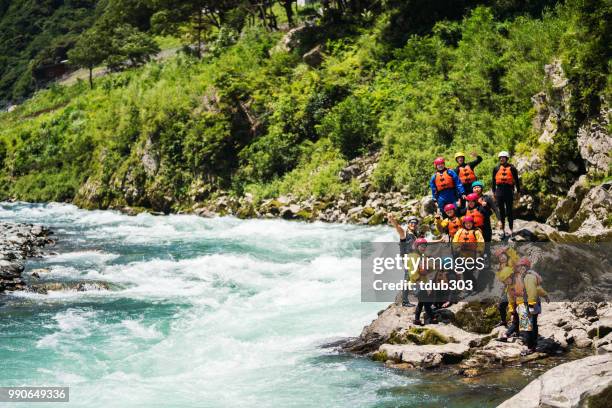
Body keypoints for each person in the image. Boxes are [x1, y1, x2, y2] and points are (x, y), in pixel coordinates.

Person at [505, 258, 548, 354]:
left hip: (529, 304)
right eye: (520, 267)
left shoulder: (526, 277)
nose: (521, 268)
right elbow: (537, 288)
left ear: (527, 267)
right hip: (530, 303)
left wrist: (532, 304)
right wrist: (544, 295)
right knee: (532, 324)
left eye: (523, 266)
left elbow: (533, 291)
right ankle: (533, 345)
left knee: (528, 326)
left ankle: (530, 347)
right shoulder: (528, 276)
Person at [388, 214, 420, 307]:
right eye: (411, 222)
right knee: (407, 278)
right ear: (408, 224)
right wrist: (392, 220)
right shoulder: (404, 234)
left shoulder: (415, 234)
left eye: (415, 223)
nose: (413, 224)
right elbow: (398, 228)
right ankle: (405, 301)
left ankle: (415, 293)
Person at [492, 151, 520, 237]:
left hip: (509, 191)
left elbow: (517, 180)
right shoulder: (496, 168)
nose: (501, 159)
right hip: (499, 192)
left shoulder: (512, 168)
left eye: (503, 157)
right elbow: (493, 181)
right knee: (501, 211)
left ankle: (511, 229)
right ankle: (502, 230)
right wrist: (494, 192)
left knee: (509, 211)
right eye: (500, 157)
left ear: (507, 158)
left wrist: (518, 191)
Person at [409, 238, 436, 325]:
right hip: (417, 284)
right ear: (417, 247)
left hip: (422, 283)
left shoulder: (422, 256)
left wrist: (431, 267)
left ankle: (417, 320)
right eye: (421, 246)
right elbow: (412, 272)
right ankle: (432, 318)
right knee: (426, 303)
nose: (423, 248)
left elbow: (429, 269)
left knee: (421, 302)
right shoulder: (413, 257)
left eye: (425, 246)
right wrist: (418, 280)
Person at [452, 216, 484, 288]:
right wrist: (456, 247)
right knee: (464, 271)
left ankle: (474, 285)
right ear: (464, 224)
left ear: (472, 223)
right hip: (461, 255)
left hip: (472, 255)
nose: (468, 225)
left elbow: (481, 242)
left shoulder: (476, 232)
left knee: (469, 272)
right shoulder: (460, 231)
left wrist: (479, 251)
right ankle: (468, 286)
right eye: (466, 223)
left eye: (470, 223)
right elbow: (455, 240)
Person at [493, 246, 519, 328]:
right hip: (507, 287)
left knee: (516, 308)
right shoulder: (501, 266)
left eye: (503, 255)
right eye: (500, 257)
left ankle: (517, 327)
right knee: (502, 305)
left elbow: (515, 258)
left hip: (516, 287)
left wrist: (509, 250)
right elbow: (501, 278)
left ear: (506, 255)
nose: (502, 258)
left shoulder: (511, 261)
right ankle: (504, 321)